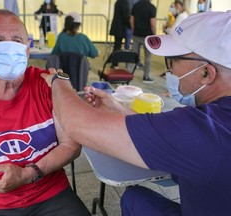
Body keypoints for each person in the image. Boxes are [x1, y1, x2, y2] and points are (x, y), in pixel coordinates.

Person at [41, 11, 231, 216]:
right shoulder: (214, 123)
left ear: (206, 73)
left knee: (133, 198)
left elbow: (77, 124)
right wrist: (119, 109)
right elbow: (167, 136)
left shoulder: (203, 129)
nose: (170, 71)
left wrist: (58, 80)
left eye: (172, 60)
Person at [0, 9, 91, 216]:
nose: (9, 46)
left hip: (50, 193)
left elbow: (71, 145)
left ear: (27, 48)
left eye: (16, 39)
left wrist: (28, 174)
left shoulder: (48, 85)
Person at [130, 0, 156, 83]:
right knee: (148, 56)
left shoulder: (136, 5)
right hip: (147, 36)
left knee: (132, 55)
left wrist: (133, 30)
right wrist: (154, 35)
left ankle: (129, 74)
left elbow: (131, 20)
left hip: (136, 35)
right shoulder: (152, 7)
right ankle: (146, 77)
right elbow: (152, 24)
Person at [109, 0, 130, 67]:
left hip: (117, 26)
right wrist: (131, 25)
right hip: (120, 27)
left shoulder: (118, 1)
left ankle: (113, 61)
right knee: (117, 46)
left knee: (117, 45)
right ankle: (114, 63)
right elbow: (125, 16)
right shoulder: (124, 2)